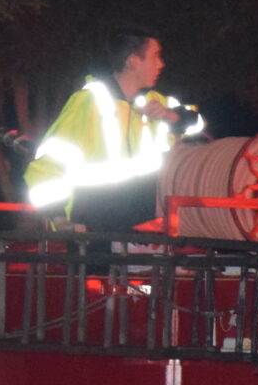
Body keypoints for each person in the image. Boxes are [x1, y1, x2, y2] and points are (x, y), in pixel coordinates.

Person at [23, 27, 204, 232]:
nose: (161, 64)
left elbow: (198, 127)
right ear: (133, 61)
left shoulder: (156, 103)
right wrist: (60, 220)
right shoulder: (90, 102)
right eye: (155, 56)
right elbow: (46, 167)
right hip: (94, 232)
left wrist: (173, 116)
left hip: (143, 231)